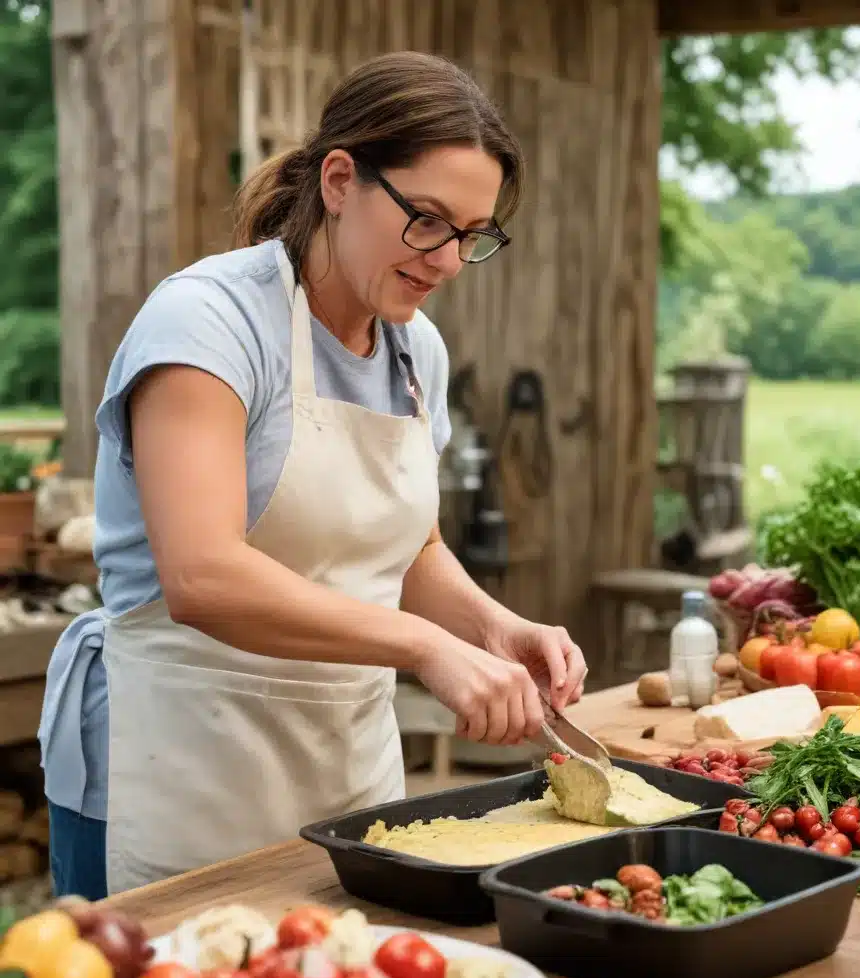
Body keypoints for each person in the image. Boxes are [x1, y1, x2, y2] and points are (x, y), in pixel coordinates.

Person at [39, 51, 587, 900]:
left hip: (345, 780)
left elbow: (409, 548)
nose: (447, 259)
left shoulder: (416, 350)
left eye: (472, 235)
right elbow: (202, 576)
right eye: (428, 220)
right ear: (340, 180)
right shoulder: (209, 322)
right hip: (177, 769)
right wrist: (424, 647)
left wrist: (490, 626)